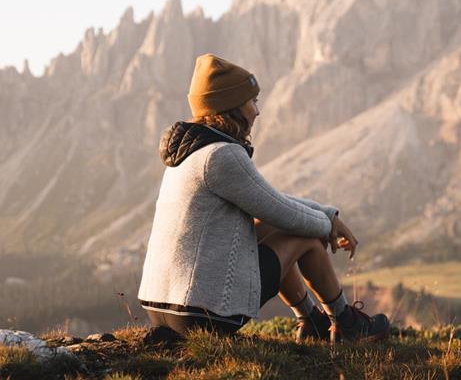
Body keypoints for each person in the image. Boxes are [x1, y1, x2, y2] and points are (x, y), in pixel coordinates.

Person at [137, 53, 390, 344]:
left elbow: (271, 202)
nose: (257, 111)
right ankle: (346, 324)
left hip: (164, 308)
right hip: (204, 313)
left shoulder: (192, 152)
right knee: (305, 236)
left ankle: (312, 322)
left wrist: (328, 216)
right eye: (252, 102)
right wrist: (326, 227)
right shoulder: (221, 155)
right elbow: (284, 214)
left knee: (282, 226)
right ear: (232, 107)